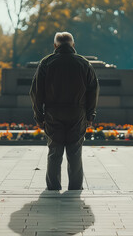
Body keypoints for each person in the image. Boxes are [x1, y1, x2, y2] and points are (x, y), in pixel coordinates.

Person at [30, 32, 99, 190]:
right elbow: (93, 90)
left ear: (55, 46)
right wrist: (90, 114)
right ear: (73, 45)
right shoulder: (84, 63)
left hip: (53, 113)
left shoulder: (46, 63)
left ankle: (53, 187)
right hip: (77, 113)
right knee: (75, 152)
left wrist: (38, 116)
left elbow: (36, 92)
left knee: (55, 151)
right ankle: (75, 187)